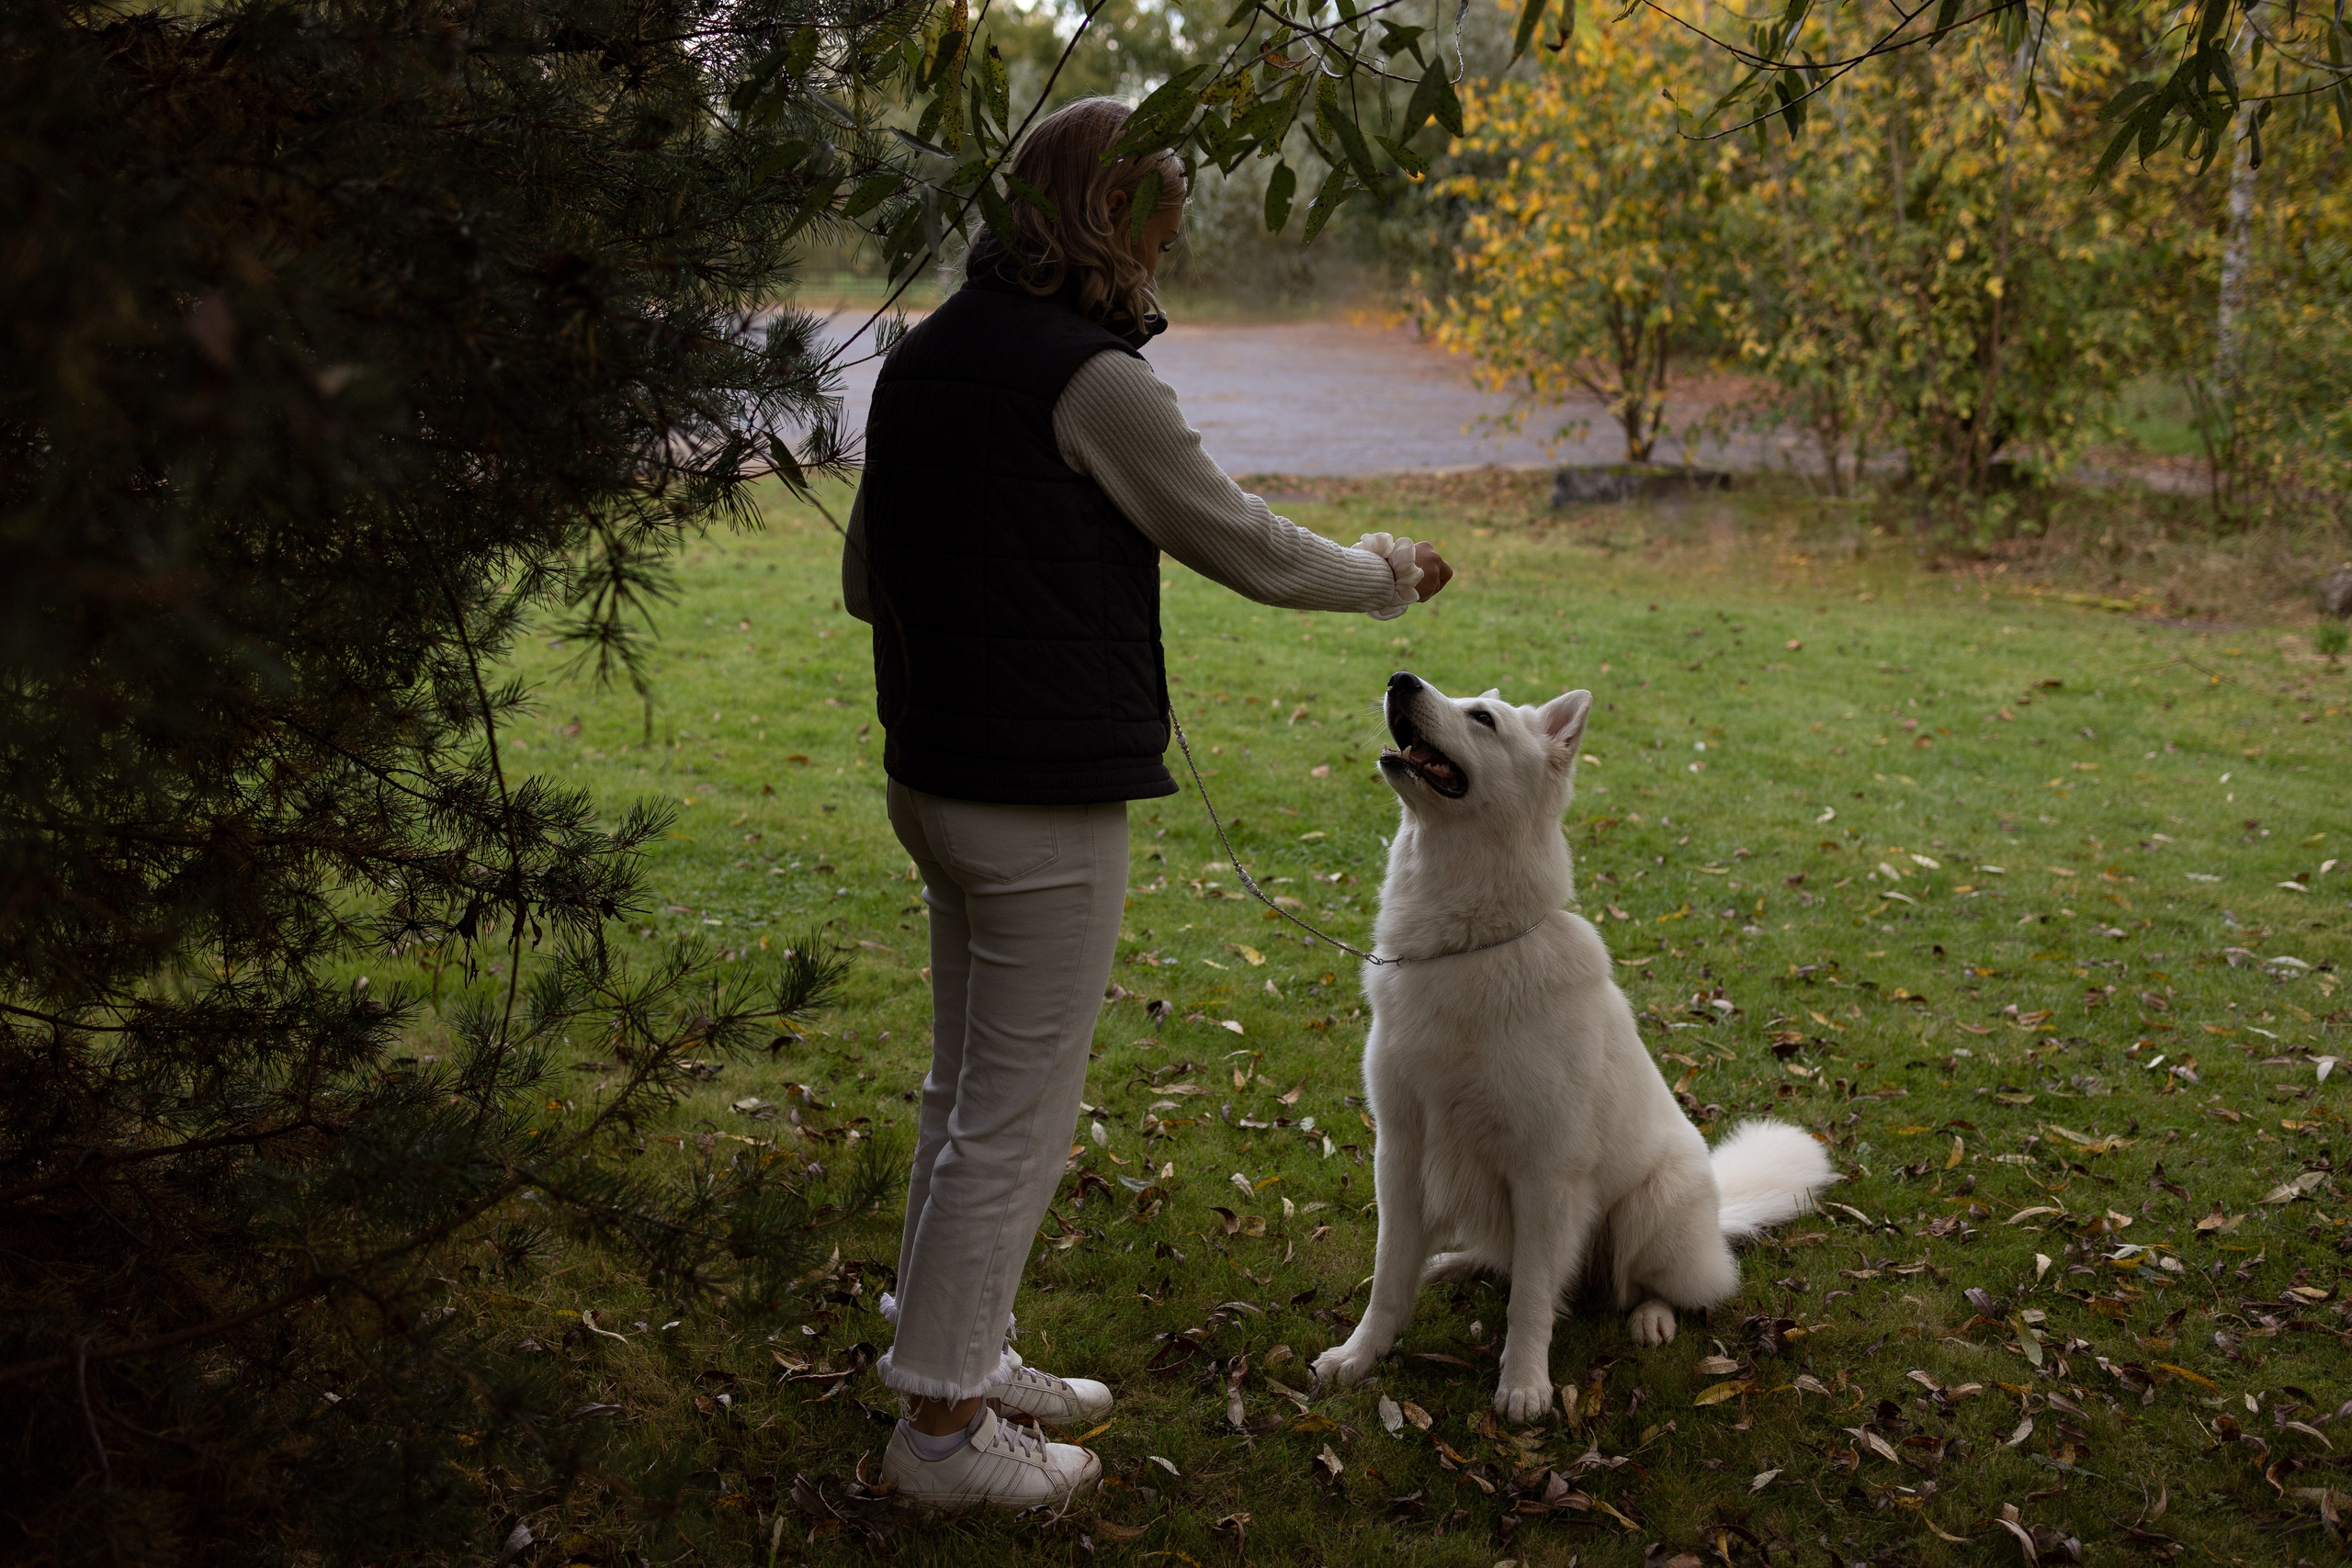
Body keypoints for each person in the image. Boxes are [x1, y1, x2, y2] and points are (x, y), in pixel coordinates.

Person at [841, 96, 1453, 1509]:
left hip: (932, 776)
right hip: (1038, 797)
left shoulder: (927, 355)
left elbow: (870, 575)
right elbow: (1239, 539)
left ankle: (963, 1350)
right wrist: (1387, 572)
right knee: (1016, 1110)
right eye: (1160, 220)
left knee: (963, 1089)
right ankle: (938, 1438)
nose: (1168, 249)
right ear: (1106, 216)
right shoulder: (1092, 380)